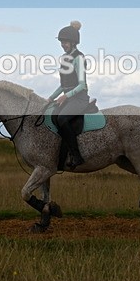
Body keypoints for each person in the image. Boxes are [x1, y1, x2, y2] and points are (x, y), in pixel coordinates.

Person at [49, 21, 91, 170]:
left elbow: (82, 85)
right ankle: (62, 153)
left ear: (73, 42)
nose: (63, 44)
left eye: (65, 41)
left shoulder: (79, 58)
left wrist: (66, 96)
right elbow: (63, 84)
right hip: (68, 97)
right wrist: (50, 98)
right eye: (61, 42)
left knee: (62, 118)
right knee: (53, 116)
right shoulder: (64, 58)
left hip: (79, 98)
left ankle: (77, 155)